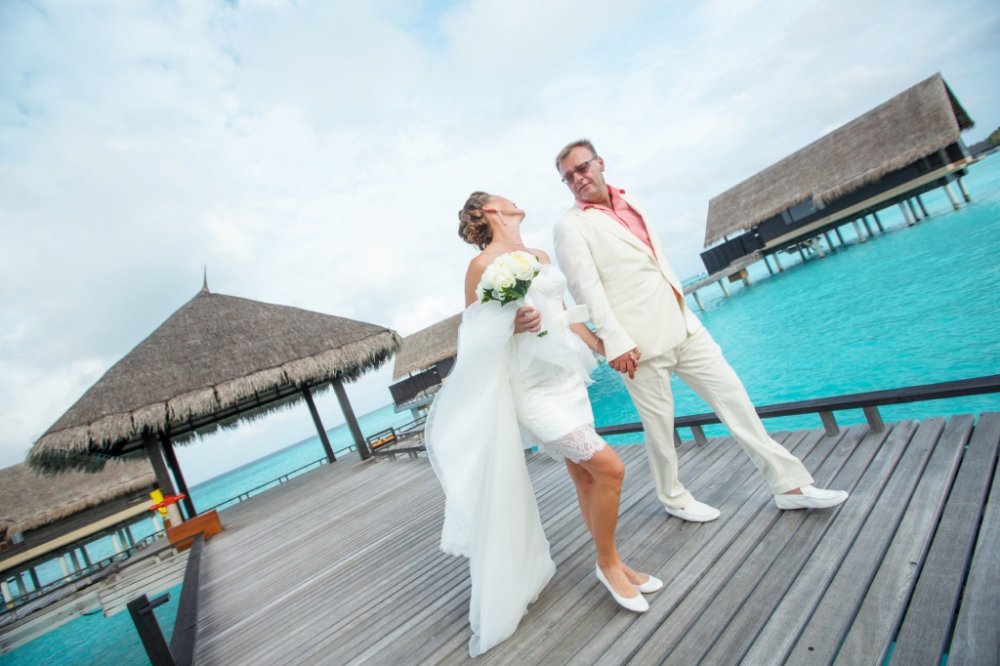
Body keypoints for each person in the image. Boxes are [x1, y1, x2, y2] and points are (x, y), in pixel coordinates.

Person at [552, 139, 848, 523]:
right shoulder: (570, 227)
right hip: (638, 347)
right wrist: (616, 343)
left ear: (600, 163)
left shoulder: (632, 201)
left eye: (582, 168)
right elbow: (586, 290)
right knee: (661, 432)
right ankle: (673, 498)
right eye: (568, 177)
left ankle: (789, 486)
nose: (577, 178)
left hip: (686, 327)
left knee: (737, 403)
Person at [425, 191, 661, 657]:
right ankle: (607, 564)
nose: (513, 198)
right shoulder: (480, 266)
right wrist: (509, 325)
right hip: (532, 389)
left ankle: (615, 561)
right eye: (503, 196)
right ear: (491, 210)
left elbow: (565, 316)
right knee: (611, 469)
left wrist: (603, 347)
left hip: (567, 377)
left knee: (585, 474)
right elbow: (472, 338)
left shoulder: (539, 256)